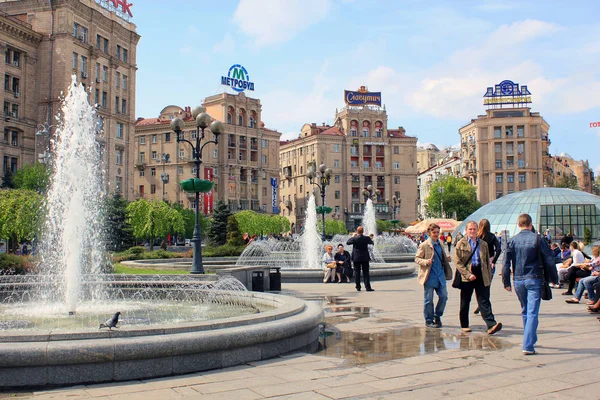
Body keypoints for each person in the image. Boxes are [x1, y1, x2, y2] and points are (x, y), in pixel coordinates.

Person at [502, 213, 558, 355]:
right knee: (532, 312)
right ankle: (527, 345)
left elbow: (506, 262)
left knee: (525, 310)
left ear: (519, 224)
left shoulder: (513, 240)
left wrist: (506, 281)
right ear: (531, 224)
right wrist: (554, 278)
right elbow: (549, 260)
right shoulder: (538, 239)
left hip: (518, 280)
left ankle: (530, 338)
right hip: (534, 277)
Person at [455, 221, 502, 335]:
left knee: (484, 299)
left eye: (474, 229)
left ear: (478, 230)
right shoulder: (461, 243)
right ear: (466, 230)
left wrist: (488, 274)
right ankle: (464, 324)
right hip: (468, 274)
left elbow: (486, 261)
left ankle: (491, 324)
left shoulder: (483, 244)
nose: (472, 231)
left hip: (481, 273)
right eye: (470, 229)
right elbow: (458, 263)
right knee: (465, 300)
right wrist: (468, 274)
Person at [415, 223, 452, 328]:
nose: (436, 234)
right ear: (429, 233)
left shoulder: (440, 243)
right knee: (429, 300)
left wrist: (447, 259)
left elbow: (442, 257)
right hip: (429, 276)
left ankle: (437, 315)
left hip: (440, 275)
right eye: (434, 232)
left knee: (444, 296)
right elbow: (417, 258)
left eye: (437, 232)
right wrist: (425, 261)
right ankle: (429, 320)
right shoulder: (424, 245)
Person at [473, 219, 502, 315]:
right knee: (487, 286)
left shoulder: (477, 236)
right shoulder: (492, 236)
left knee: (478, 286)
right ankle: (484, 305)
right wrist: (494, 260)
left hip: (478, 263)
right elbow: (498, 249)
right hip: (489, 263)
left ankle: (481, 304)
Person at [347, 226, 374, 292]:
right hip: (365, 257)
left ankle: (358, 287)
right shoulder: (366, 238)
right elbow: (371, 242)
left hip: (356, 257)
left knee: (357, 273)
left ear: (357, 231)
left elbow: (348, 242)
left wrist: (353, 236)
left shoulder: (354, 238)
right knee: (366, 273)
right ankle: (368, 287)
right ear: (363, 231)